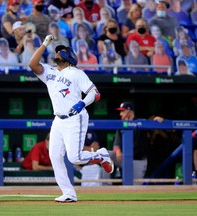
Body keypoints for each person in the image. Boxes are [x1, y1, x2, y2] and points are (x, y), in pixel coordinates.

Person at [29, 35, 113, 202]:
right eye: (57, 51)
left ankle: (101, 156)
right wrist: (45, 43)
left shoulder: (76, 73)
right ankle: (68, 193)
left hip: (75, 117)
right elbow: (32, 64)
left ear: (70, 57)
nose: (58, 52)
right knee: (55, 156)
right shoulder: (50, 72)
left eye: (62, 51)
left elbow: (94, 93)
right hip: (58, 120)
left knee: (74, 158)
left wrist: (82, 103)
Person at [112, 101, 164, 185]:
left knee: (134, 187)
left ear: (129, 111)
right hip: (124, 159)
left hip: (138, 160)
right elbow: (116, 143)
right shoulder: (121, 125)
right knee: (107, 155)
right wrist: (117, 152)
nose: (120, 114)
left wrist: (157, 120)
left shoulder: (140, 122)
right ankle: (105, 186)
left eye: (122, 111)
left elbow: (151, 124)